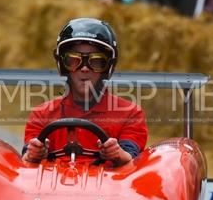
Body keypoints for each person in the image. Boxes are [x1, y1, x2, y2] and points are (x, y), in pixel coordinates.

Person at [22, 18, 148, 166]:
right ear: (63, 65)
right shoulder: (42, 114)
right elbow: (25, 161)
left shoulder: (131, 113)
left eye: (95, 61)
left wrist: (117, 153)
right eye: (74, 60)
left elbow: (132, 160)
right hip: (51, 188)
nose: (84, 68)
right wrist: (34, 154)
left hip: (111, 187)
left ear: (107, 67)